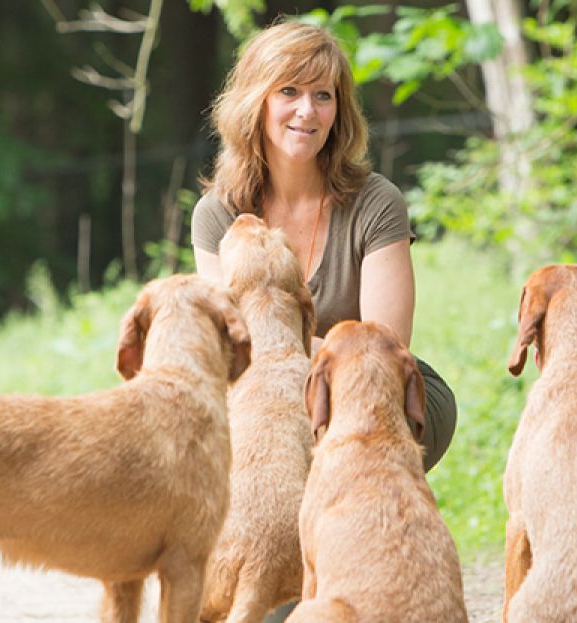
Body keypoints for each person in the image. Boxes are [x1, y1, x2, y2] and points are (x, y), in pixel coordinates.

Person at [190, 20, 458, 621]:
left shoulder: (376, 201)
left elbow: (383, 351)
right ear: (255, 100)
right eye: (288, 91)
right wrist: (284, 348)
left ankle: (360, 565)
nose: (305, 111)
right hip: (269, 410)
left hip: (372, 398)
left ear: (340, 110)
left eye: (323, 95)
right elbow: (234, 350)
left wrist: (278, 334)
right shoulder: (218, 214)